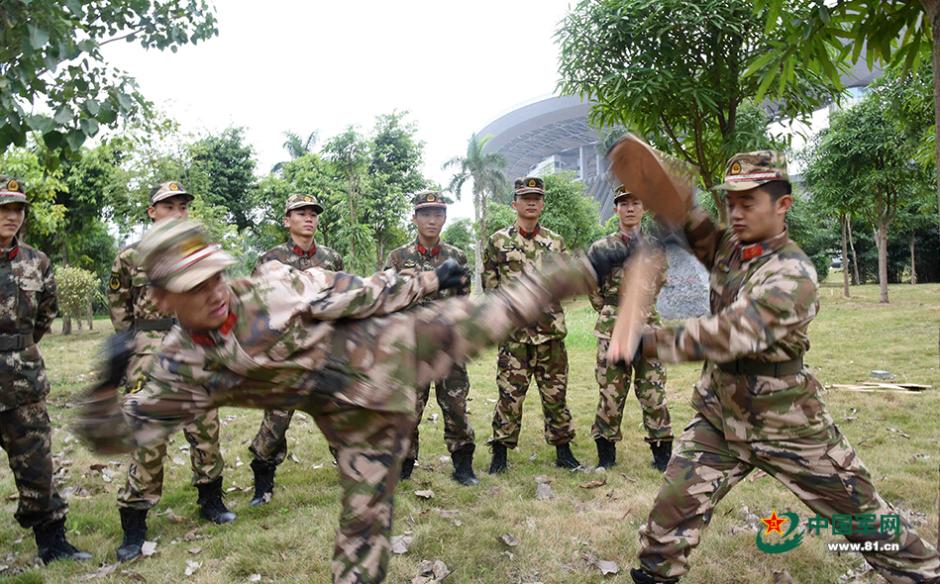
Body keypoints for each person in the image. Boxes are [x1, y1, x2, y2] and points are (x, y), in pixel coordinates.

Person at [74, 217, 629, 584]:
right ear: (162, 297)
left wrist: (431, 281)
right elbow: (119, 436)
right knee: (363, 532)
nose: (214, 290)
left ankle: (603, 258)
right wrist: (105, 385)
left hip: (384, 352)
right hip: (348, 416)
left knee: (499, 311)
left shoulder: (275, 289)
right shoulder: (179, 368)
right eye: (194, 286)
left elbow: (367, 289)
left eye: (216, 274)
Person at [627, 151, 940, 583]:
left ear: (783, 205)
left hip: (788, 424)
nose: (736, 213)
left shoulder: (794, 274)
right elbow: (682, 212)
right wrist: (651, 175)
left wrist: (648, 343)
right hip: (720, 418)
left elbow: (734, 333)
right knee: (666, 523)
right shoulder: (727, 248)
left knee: (869, 524)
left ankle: (924, 574)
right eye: (731, 203)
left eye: (749, 203)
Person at [108, 182, 234, 563]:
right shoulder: (131, 256)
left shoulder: (199, 254)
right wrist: (140, 349)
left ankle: (211, 499)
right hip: (150, 352)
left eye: (183, 206)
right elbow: (120, 309)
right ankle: (135, 522)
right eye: (169, 206)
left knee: (205, 426)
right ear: (152, 211)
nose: (177, 211)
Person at [0, 176, 91, 564]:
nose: (12, 216)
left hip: (23, 383)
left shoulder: (37, 262)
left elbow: (45, 314)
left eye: (18, 209)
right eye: (4, 208)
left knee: (37, 466)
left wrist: (17, 347)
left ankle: (53, 544)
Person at [248, 193, 344, 506]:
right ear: (287, 220)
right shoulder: (269, 260)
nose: (308, 218)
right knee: (276, 419)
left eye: (313, 214)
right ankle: (263, 480)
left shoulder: (331, 259)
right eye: (300, 213)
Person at [483, 176, 579, 473]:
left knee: (556, 396)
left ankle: (564, 453)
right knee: (509, 396)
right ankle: (499, 456)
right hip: (515, 337)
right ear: (515, 204)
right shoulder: (499, 241)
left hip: (550, 333)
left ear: (543, 204)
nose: (532, 202)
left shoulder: (556, 242)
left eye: (537, 197)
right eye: (526, 198)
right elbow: (490, 285)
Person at [385, 190, 477, 486]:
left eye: (438, 213)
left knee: (456, 406)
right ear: (414, 218)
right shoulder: (398, 258)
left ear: (445, 218)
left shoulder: (456, 256)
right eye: (425, 214)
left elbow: (464, 300)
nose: (432, 220)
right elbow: (387, 299)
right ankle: (404, 464)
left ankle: (463, 465)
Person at [588, 186, 672, 471]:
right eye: (624, 204)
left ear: (644, 208)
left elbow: (659, 279)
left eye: (636, 203)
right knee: (611, 392)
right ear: (616, 210)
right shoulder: (601, 248)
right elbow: (593, 289)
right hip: (613, 328)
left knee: (654, 392)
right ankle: (606, 456)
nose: (630, 208)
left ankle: (662, 455)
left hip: (648, 327)